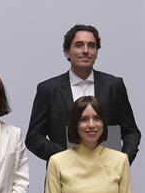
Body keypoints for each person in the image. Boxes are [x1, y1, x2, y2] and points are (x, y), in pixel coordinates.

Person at [27, 24, 140, 165]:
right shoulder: (48, 89)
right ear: (67, 52)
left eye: (91, 46)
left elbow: (131, 132)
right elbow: (33, 137)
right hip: (64, 177)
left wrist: (123, 160)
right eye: (79, 45)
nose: (86, 50)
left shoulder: (114, 85)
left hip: (107, 175)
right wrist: (63, 157)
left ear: (97, 52)